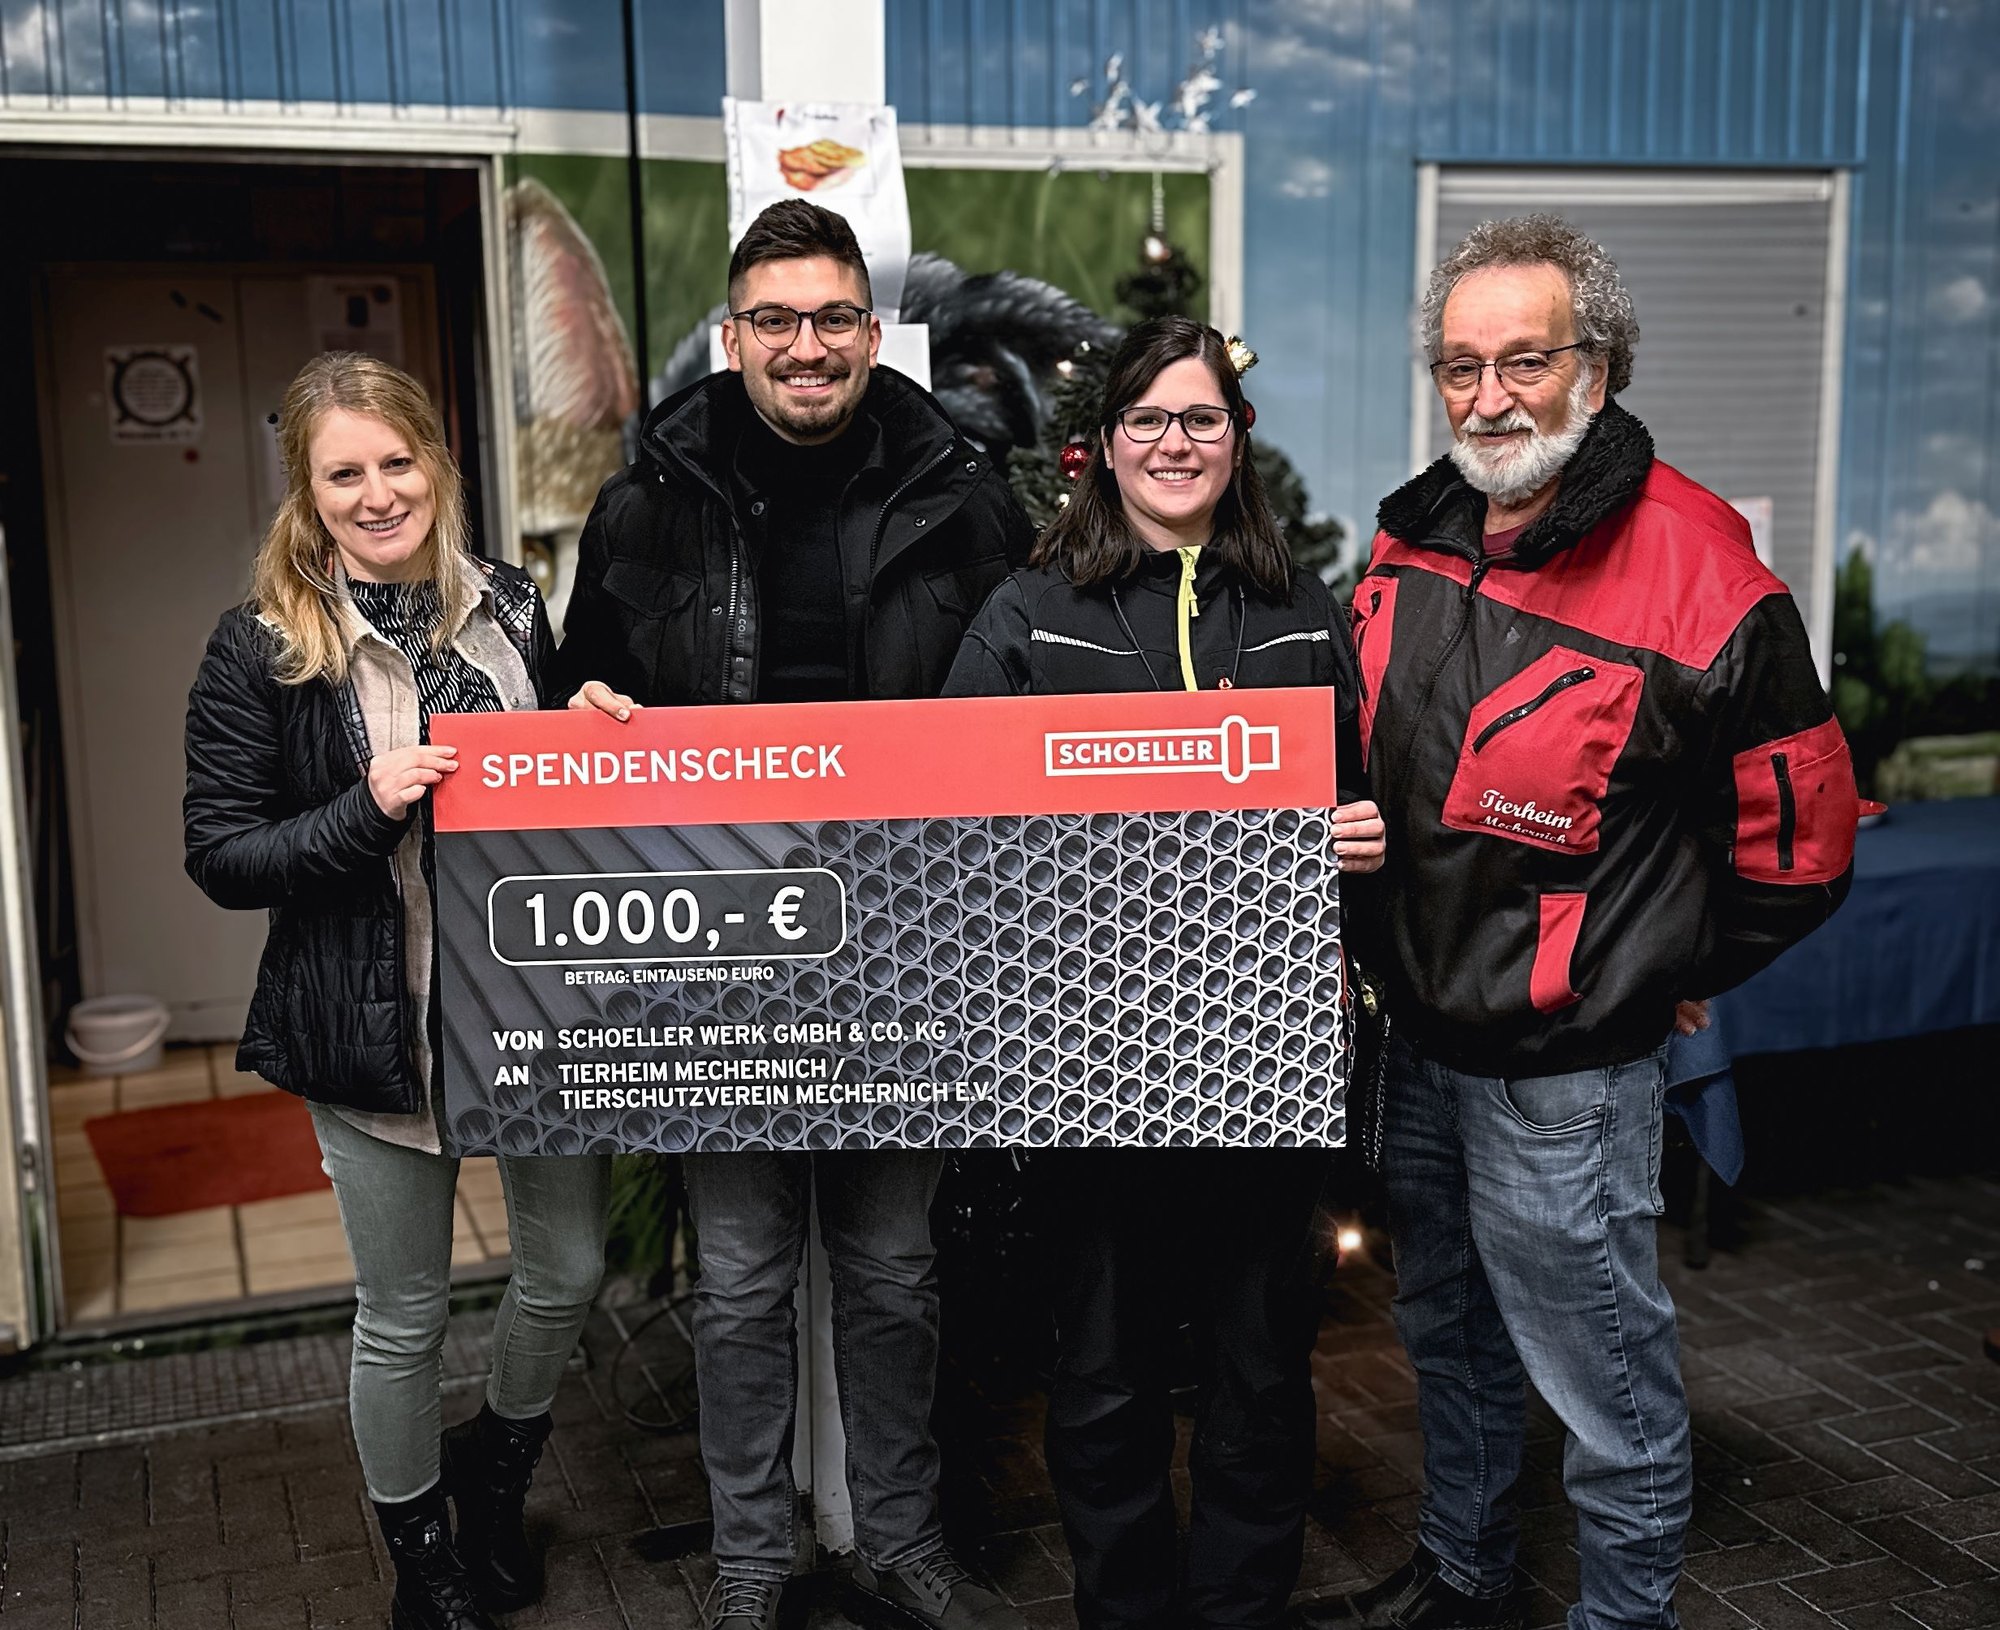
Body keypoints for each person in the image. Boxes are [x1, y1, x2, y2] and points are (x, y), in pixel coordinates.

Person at [1303, 216, 1857, 1630]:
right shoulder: (1411, 533)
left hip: (1564, 1074)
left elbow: (1802, 845)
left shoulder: (1705, 575)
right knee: (1448, 1338)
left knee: (1604, 1384)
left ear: (1596, 370)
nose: (1488, 396)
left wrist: (1659, 963)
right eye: (1460, 365)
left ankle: (1622, 1616)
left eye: (1525, 361)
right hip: (1415, 1045)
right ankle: (1465, 1576)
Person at [556, 199, 1034, 1630]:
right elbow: (583, 680)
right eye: (775, 319)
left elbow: (1030, 701)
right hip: (721, 957)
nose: (805, 346)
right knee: (742, 1278)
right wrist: (584, 708)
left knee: (893, 1269)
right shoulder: (646, 498)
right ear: (734, 335)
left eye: (831, 318)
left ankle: (901, 1537)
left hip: (912, 946)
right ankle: (755, 1559)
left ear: (871, 334)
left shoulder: (965, 492)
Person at [944, 315, 1387, 1630]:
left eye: (1200, 418)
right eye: (1148, 419)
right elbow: (950, 819)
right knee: (1103, 1372)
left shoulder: (1299, 608)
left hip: (1266, 1059)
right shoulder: (1032, 611)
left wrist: (1360, 836)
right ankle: (1126, 1609)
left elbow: (1353, 788)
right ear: (1105, 442)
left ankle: (1241, 1604)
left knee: (1261, 1368)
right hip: (1089, 1064)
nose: (1174, 443)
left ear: (1235, 438)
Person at [184, 353, 609, 1630]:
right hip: (372, 1020)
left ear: (436, 462)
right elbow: (222, 854)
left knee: (568, 1270)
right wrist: (361, 809)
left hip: (530, 1013)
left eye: (396, 461)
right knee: (405, 1314)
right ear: (306, 494)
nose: (377, 494)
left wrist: (588, 727)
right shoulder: (263, 644)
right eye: (343, 474)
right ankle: (425, 1565)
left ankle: (495, 1479)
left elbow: (551, 797)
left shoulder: (514, 607)